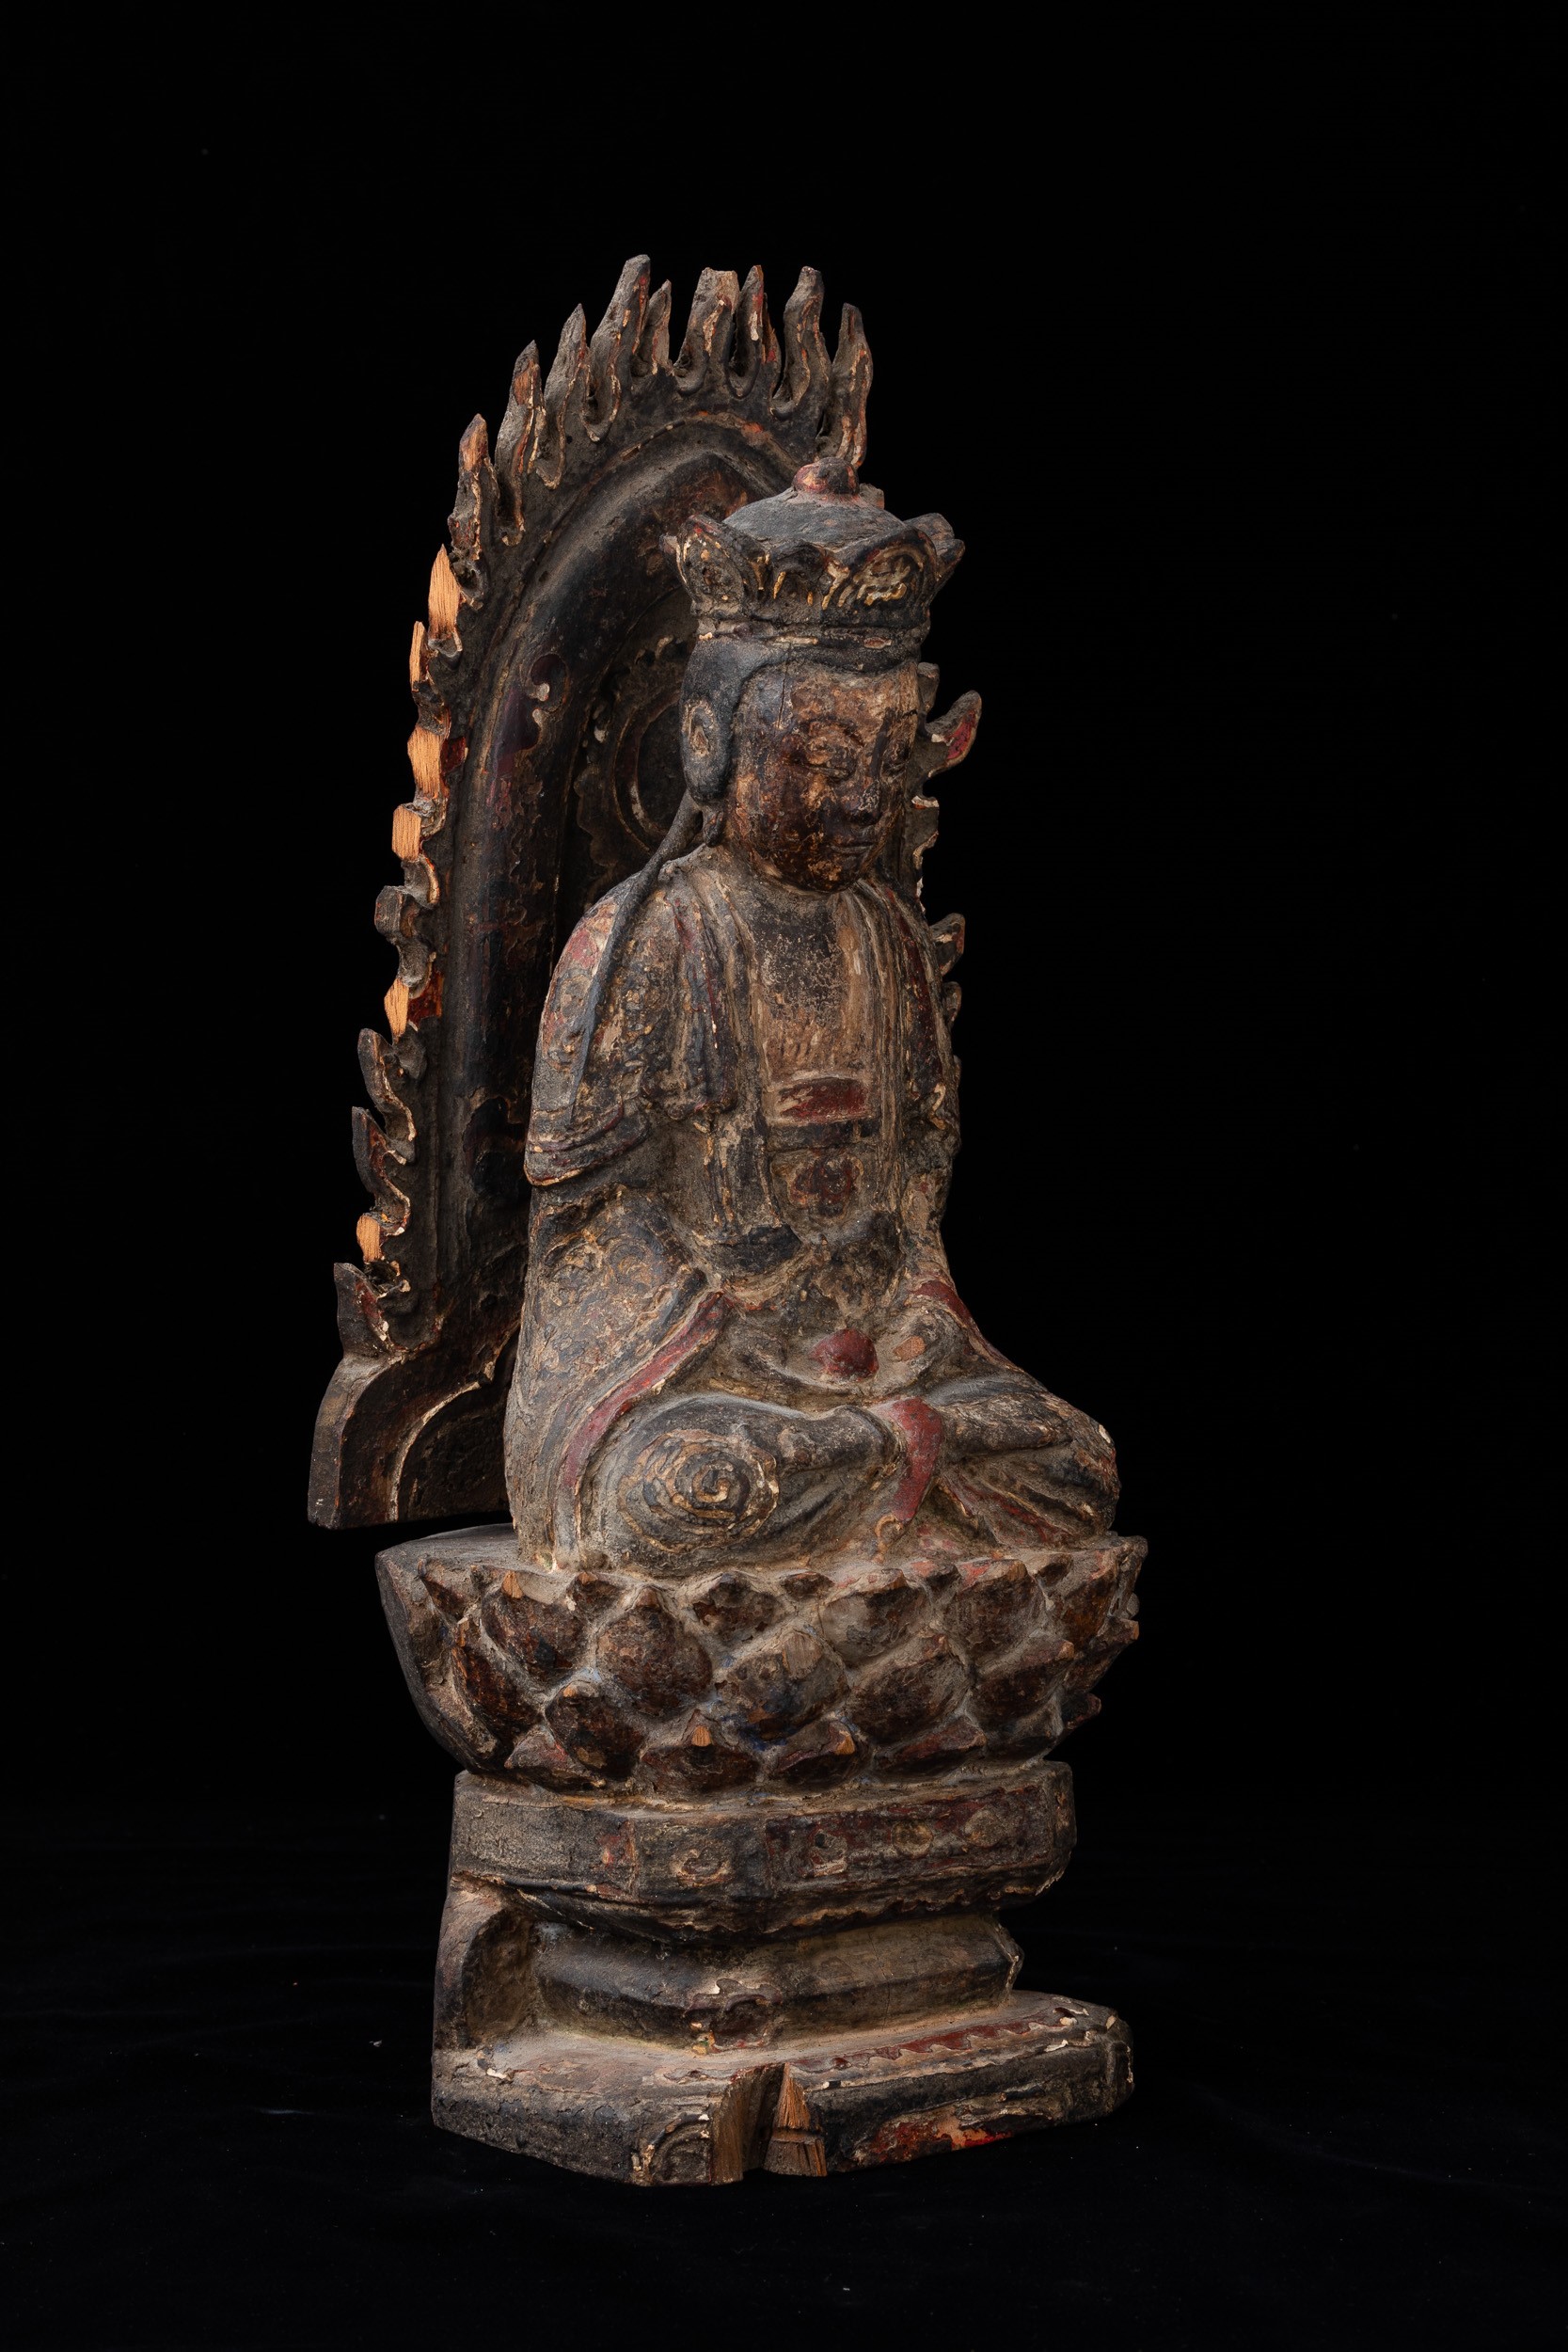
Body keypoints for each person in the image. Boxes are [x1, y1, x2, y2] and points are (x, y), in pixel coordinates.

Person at [504, 459, 1119, 1577]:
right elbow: (589, 1233)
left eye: (887, 760)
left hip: (880, 1360)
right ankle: (871, 1467)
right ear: (709, 743)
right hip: (704, 1377)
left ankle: (878, 1459)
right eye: (823, 758)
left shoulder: (888, 938)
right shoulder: (644, 942)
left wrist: (912, 1320)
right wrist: (747, 1340)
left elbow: (914, 1184)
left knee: (1072, 1462)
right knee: (677, 1490)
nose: (860, 798)